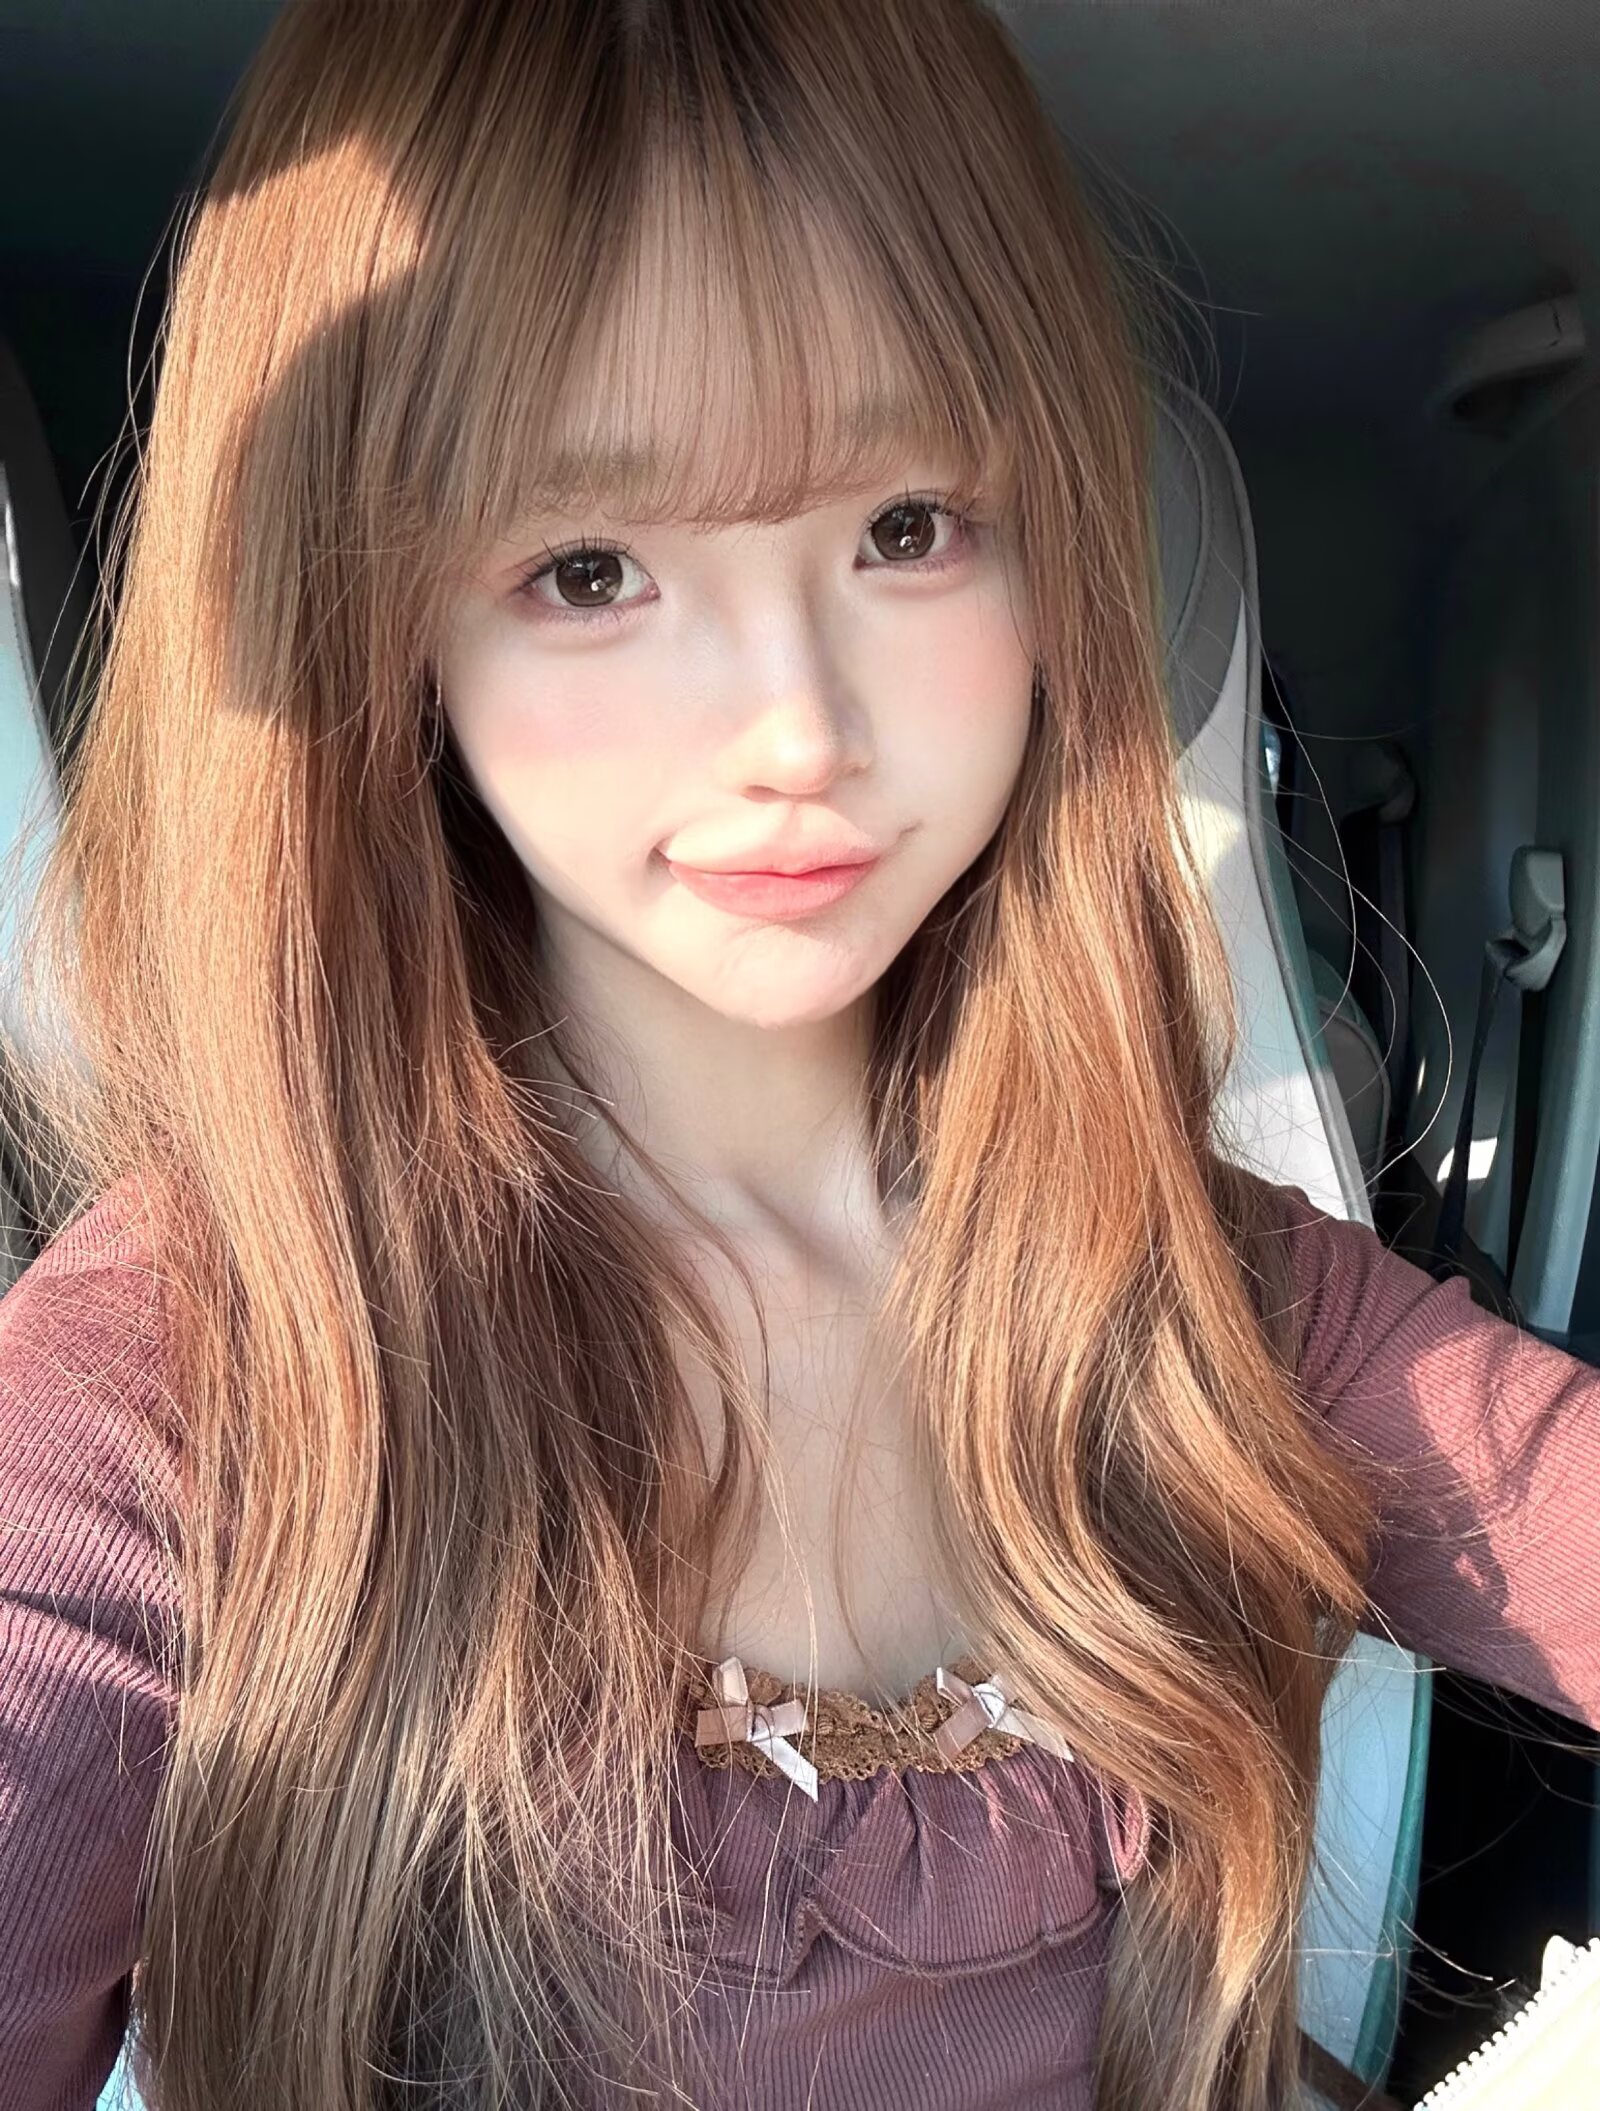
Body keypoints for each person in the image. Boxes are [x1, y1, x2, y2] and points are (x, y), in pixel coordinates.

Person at [0, 3, 1596, 2107]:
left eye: (907, 525)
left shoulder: (1173, 1272)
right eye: (591, 570)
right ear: (384, 626)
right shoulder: (197, 1376)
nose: (798, 730)